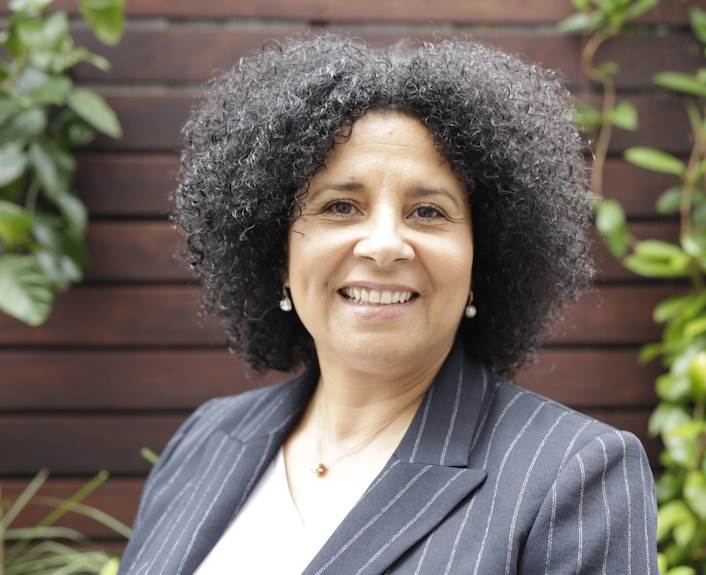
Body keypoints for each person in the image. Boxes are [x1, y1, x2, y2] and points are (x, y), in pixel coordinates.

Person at [119, 34, 658, 574]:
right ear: (277, 253)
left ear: (482, 259)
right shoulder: (205, 440)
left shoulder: (575, 473)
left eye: (427, 211)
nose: (383, 245)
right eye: (341, 206)